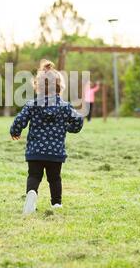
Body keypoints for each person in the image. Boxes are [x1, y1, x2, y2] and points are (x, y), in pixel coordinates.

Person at [10, 59, 84, 215]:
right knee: (55, 178)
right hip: (56, 152)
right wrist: (70, 128)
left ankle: (31, 196)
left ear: (38, 86)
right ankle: (56, 203)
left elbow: (19, 120)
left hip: (35, 151)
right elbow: (79, 119)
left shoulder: (32, 104)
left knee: (34, 176)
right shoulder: (64, 107)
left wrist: (15, 131)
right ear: (59, 87)